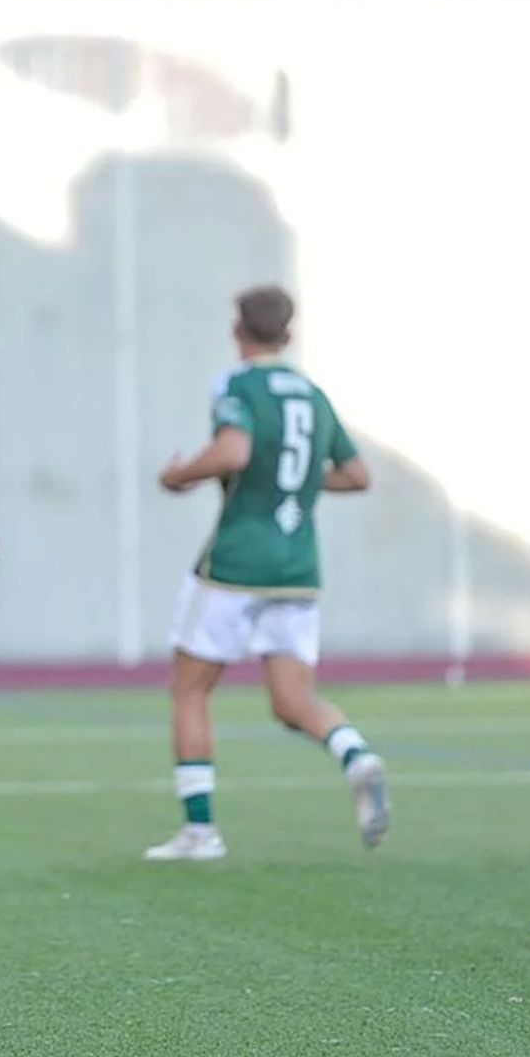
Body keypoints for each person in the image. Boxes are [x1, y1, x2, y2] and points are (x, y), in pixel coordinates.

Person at [145, 285, 386, 862]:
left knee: (190, 690)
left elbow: (232, 452)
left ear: (238, 330)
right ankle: (355, 754)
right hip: (297, 567)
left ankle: (200, 832)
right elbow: (356, 475)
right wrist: (295, 482)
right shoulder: (312, 393)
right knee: (292, 701)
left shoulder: (238, 385)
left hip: (235, 564)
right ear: (290, 332)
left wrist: (180, 475)